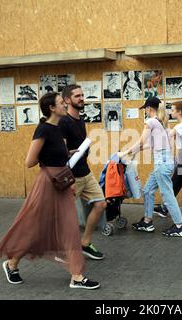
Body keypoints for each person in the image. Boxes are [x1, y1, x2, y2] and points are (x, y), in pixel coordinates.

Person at [0, 92, 100, 290]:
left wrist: (69, 154)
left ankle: (77, 276)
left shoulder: (58, 129)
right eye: (61, 103)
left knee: (70, 227)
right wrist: (51, 164)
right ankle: (12, 263)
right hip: (48, 183)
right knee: (34, 227)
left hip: (62, 182)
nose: (65, 105)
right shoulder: (43, 129)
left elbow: (56, 154)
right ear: (52, 108)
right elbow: (30, 162)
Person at [117, 97, 182, 237]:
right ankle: (147, 222)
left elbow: (141, 141)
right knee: (148, 190)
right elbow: (150, 145)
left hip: (162, 165)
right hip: (163, 164)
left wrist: (124, 152)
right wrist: (134, 152)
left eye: (146, 109)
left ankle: (179, 226)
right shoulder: (161, 123)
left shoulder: (150, 122)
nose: (146, 112)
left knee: (167, 195)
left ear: (149, 108)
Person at [59, 84, 107, 259]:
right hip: (72, 176)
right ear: (66, 100)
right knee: (63, 216)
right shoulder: (64, 121)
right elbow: (61, 152)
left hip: (85, 173)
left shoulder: (79, 119)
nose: (81, 98)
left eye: (82, 95)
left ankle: (85, 243)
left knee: (101, 204)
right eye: (77, 96)